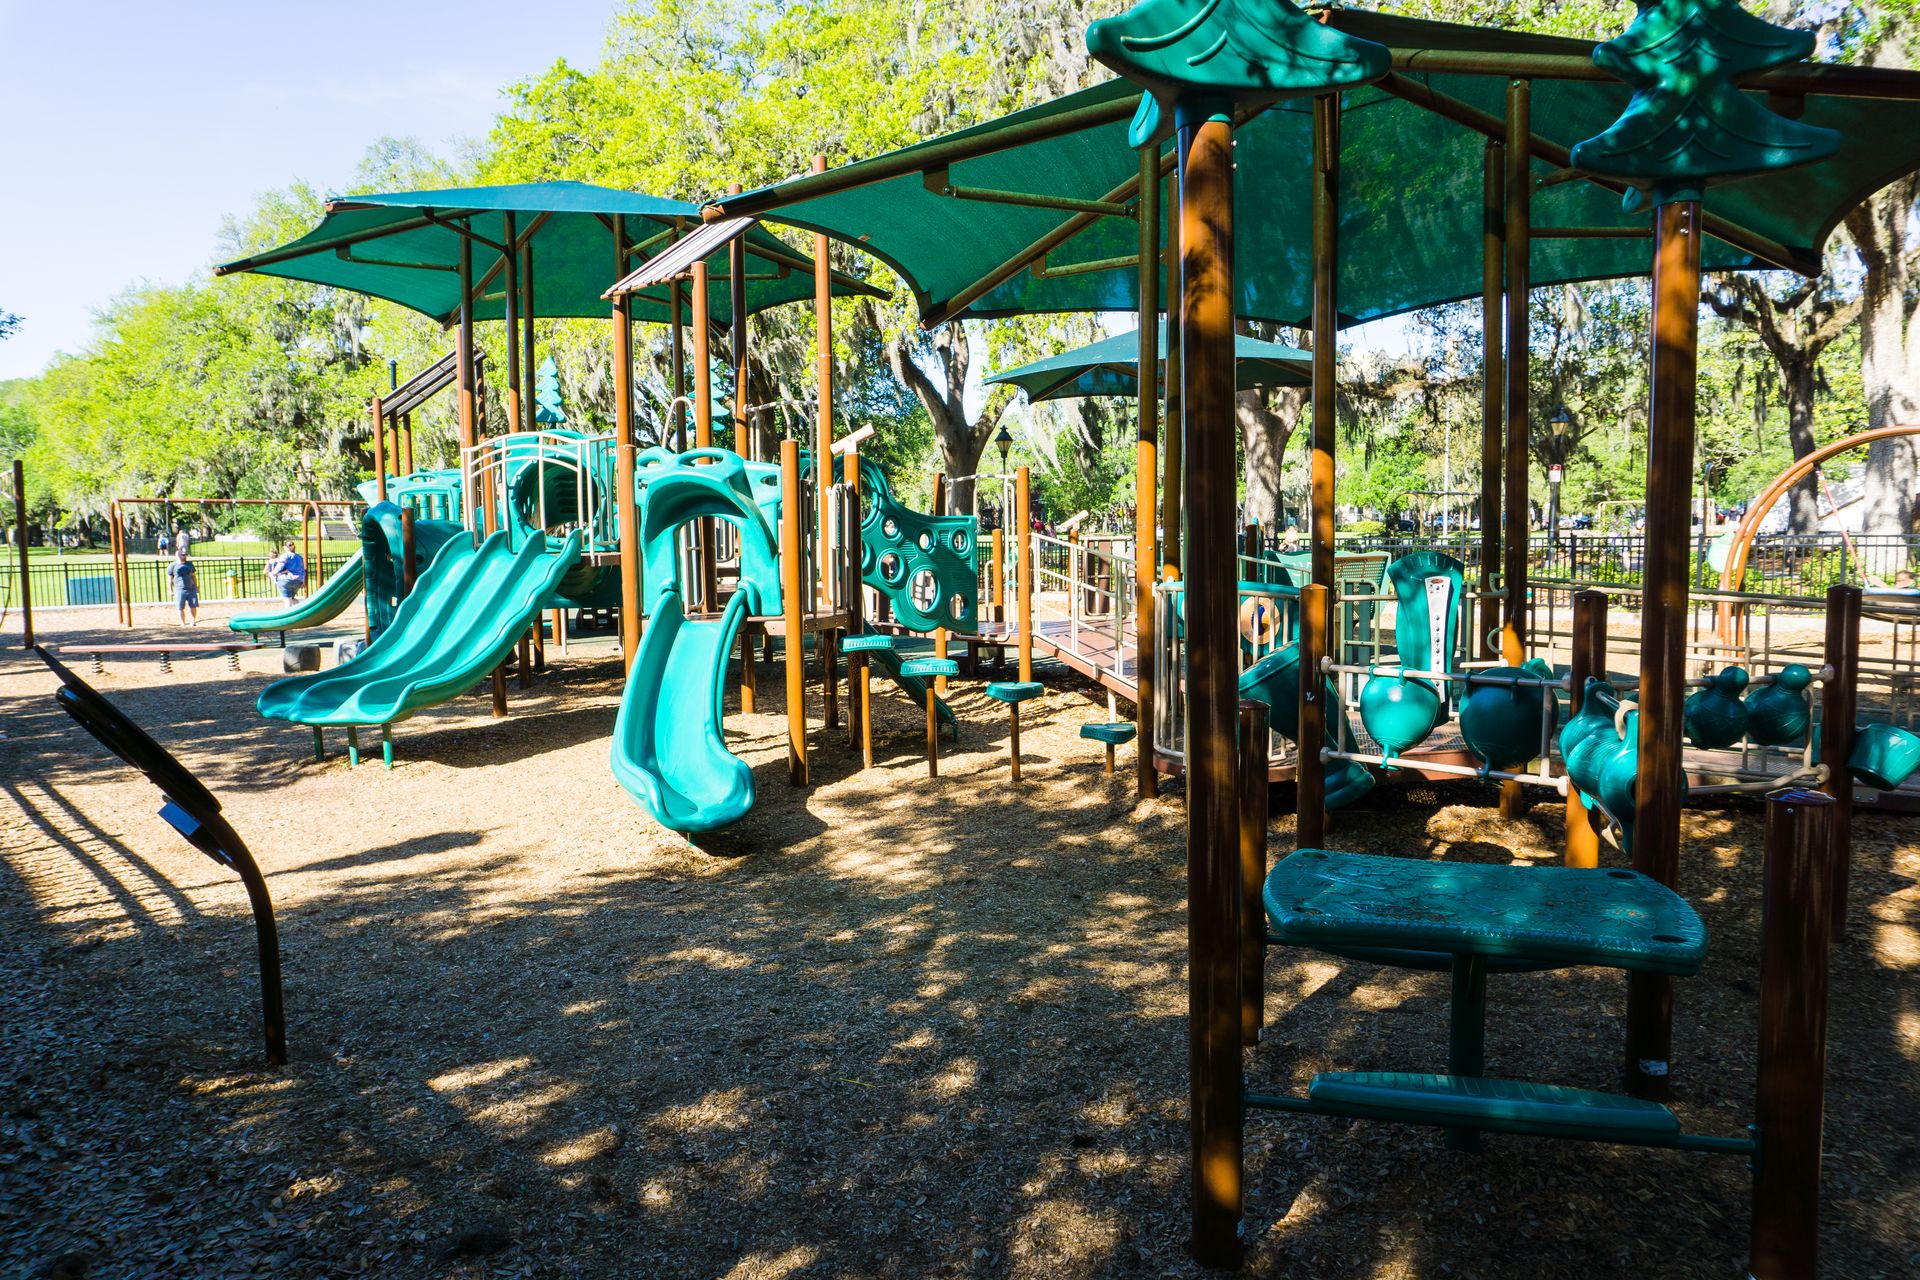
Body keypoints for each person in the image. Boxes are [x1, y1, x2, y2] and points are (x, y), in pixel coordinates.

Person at [268, 540, 306, 608]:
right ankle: (300, 611)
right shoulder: (299, 557)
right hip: (298, 580)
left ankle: (290, 613)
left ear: (285, 547)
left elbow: (280, 566)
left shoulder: (285, 555)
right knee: (292, 599)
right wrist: (303, 580)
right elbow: (303, 570)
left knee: (287, 600)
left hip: (285, 580)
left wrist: (273, 574)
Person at [169, 548, 199, 626]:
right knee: (180, 607)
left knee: (193, 606)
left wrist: (196, 586)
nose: (185, 556)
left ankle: (193, 621)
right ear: (178, 555)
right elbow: (170, 579)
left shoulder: (189, 564)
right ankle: (182, 623)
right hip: (179, 589)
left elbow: (194, 576)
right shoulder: (172, 565)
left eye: (185, 555)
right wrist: (170, 590)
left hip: (191, 588)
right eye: (183, 555)